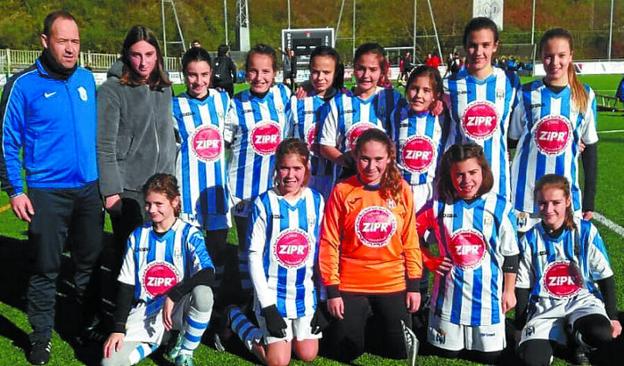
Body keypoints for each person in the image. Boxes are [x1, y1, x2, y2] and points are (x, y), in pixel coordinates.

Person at [0, 10, 103, 364]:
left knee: (89, 263)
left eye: (75, 41)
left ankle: (87, 328)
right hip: (47, 192)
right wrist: (15, 190)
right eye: (63, 41)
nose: (71, 48)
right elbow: (6, 141)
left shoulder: (87, 80)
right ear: (45, 41)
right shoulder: (22, 85)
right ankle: (41, 337)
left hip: (89, 191)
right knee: (46, 268)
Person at [319, 128, 422, 362]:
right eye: (365, 158)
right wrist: (333, 291)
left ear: (389, 158)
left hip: (391, 281)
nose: (371, 166)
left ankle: (377, 320)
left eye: (378, 159)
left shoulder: (401, 189)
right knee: (347, 350)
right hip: (352, 282)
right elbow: (329, 242)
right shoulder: (343, 190)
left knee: (398, 351)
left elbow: (411, 241)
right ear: (355, 157)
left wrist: (413, 285)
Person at [417, 143, 519, 364]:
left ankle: (514, 331)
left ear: (483, 171)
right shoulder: (438, 206)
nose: (467, 181)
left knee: (490, 356)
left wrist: (509, 291)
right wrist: (428, 259)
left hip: (487, 302)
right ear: (450, 176)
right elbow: (409, 234)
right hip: (448, 300)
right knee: (447, 354)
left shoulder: (500, 207)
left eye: (473, 172)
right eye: (459, 175)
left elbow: (511, 254)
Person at [102, 174, 215, 366]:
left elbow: (208, 272)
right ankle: (161, 339)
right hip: (146, 310)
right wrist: (118, 328)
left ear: (174, 201)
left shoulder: (189, 233)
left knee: (203, 294)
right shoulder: (138, 236)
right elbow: (126, 285)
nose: (151, 210)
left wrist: (174, 294)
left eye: (158, 204)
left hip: (179, 306)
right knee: (110, 362)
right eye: (148, 204)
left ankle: (185, 352)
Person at [515, 174, 622, 366]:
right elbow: (522, 286)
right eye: (542, 203)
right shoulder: (529, 239)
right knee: (533, 360)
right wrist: (520, 326)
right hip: (545, 307)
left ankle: (578, 342)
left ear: (568, 201)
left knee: (602, 333)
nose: (548, 210)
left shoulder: (586, 231)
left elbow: (605, 276)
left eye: (555, 202)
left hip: (582, 301)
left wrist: (613, 318)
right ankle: (559, 341)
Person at [97, 25, 176, 265]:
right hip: (130, 189)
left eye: (149, 55)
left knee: (161, 256)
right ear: (126, 54)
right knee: (131, 257)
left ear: (158, 55)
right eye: (136, 55)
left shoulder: (164, 88)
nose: (143, 62)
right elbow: (104, 144)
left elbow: (167, 137)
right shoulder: (112, 90)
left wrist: (171, 186)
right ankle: (124, 302)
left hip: (163, 187)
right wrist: (110, 192)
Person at [243, 138, 326, 365]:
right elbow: (253, 255)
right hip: (272, 294)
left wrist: (321, 299)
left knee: (308, 354)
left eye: (297, 168)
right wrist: (268, 307)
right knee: (278, 362)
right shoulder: (263, 203)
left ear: (306, 168)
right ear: (276, 169)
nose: (290, 175)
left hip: (303, 294)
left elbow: (321, 253)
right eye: (284, 168)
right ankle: (236, 318)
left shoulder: (316, 201)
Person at [510, 28, 599, 233]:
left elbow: (591, 150)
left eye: (561, 56)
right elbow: (512, 139)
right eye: (548, 56)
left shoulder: (584, 95)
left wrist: (589, 201)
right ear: (541, 57)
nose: (554, 62)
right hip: (526, 198)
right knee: (522, 261)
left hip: (565, 200)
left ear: (571, 56)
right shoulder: (526, 94)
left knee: (562, 261)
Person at [224, 43, 292, 296]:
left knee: (274, 246)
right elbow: (225, 141)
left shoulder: (285, 96)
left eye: (265, 71)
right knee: (246, 247)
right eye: (253, 71)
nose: (259, 77)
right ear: (245, 72)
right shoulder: (236, 103)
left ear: (274, 73)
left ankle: (271, 294)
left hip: (276, 189)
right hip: (243, 189)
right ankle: (248, 295)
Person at [172, 47, 231, 325]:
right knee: (190, 256)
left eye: (204, 74)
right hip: (188, 194)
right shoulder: (174, 106)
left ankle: (213, 309)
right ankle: (188, 309)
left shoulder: (222, 101)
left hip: (217, 193)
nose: (198, 81)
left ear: (212, 74)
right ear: (184, 75)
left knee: (217, 252)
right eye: (192, 75)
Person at [444, 17, 520, 198]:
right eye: (473, 45)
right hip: (460, 180)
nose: (479, 51)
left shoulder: (510, 82)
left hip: (497, 180)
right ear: (464, 46)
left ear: (495, 46)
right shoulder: (449, 85)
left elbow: (527, 124)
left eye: (485, 45)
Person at [319, 42, 402, 183]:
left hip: (382, 182)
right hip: (347, 182)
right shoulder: (338, 102)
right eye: (361, 69)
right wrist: (351, 162)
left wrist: (438, 101)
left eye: (373, 69)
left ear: (382, 71)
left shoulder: (393, 99)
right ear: (353, 69)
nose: (366, 75)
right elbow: (325, 146)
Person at [392, 65, 448, 215]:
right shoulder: (396, 115)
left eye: (426, 91)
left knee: (424, 236)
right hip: (398, 189)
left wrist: (441, 103)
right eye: (414, 88)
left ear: (435, 95)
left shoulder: (440, 117)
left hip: (428, 190)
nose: (419, 95)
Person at [291, 45, 344, 199]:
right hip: (305, 179)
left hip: (337, 178)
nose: (320, 77)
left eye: (326, 72)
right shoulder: (298, 102)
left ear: (335, 72)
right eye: (315, 72)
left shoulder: (346, 101)